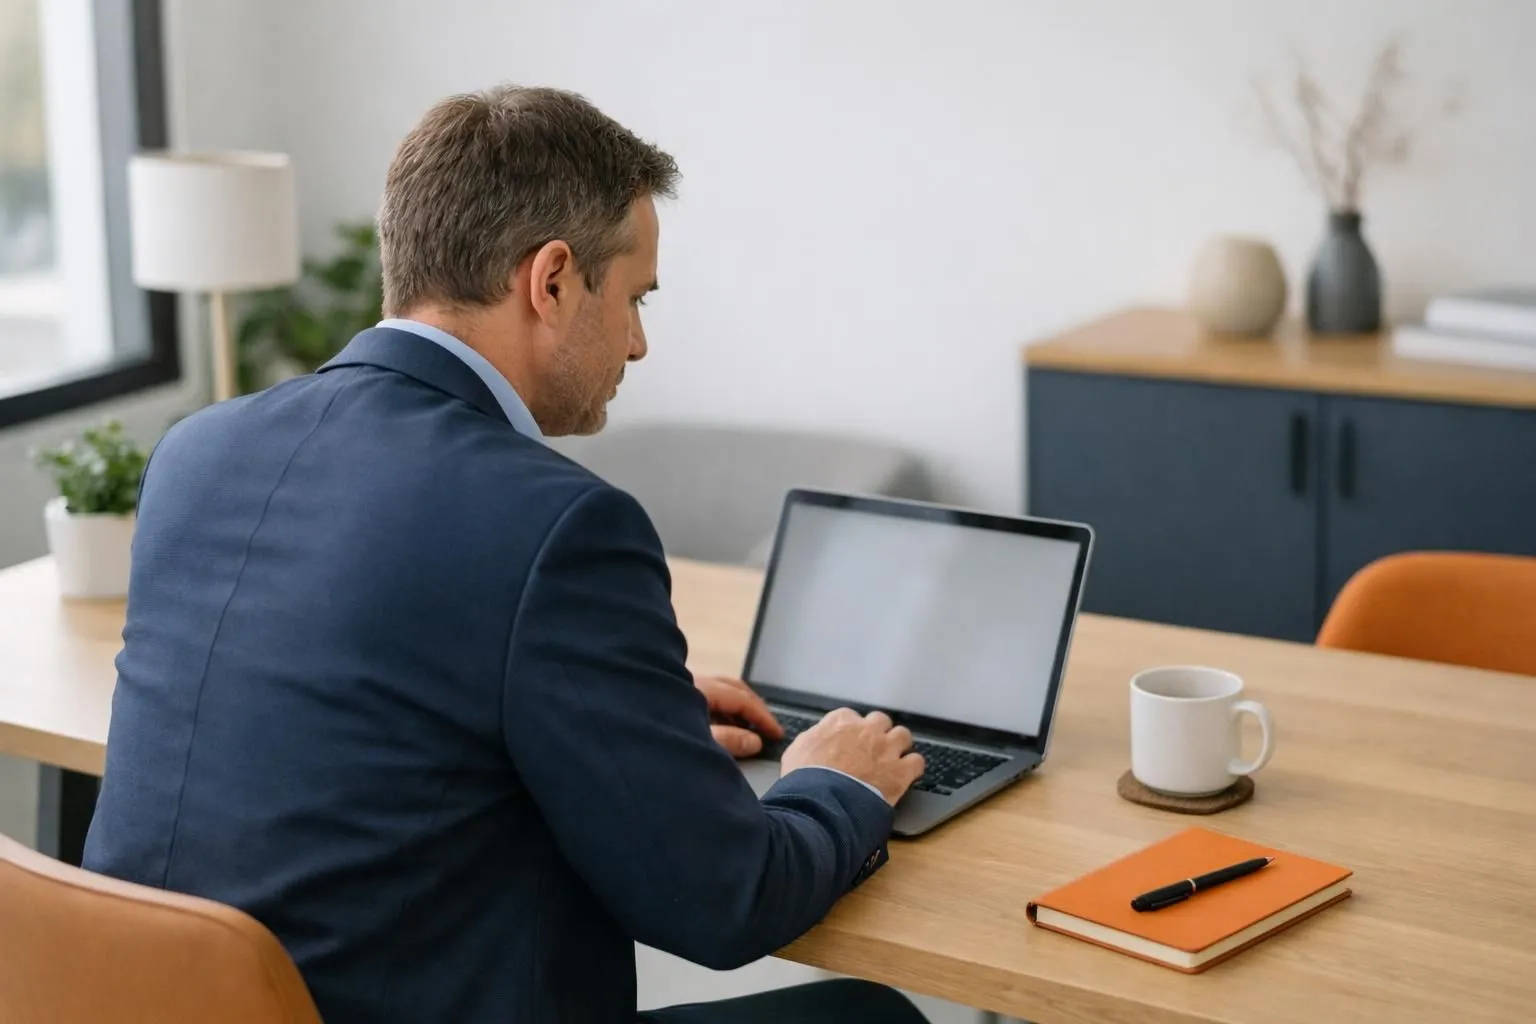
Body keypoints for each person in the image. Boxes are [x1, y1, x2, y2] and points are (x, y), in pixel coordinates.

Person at [82, 84, 931, 1024]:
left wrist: (627, 716)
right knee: (869, 1016)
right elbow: (724, 904)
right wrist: (835, 781)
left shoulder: (199, 450)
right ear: (554, 279)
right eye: (636, 297)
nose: (640, 343)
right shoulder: (558, 523)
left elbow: (362, 701)